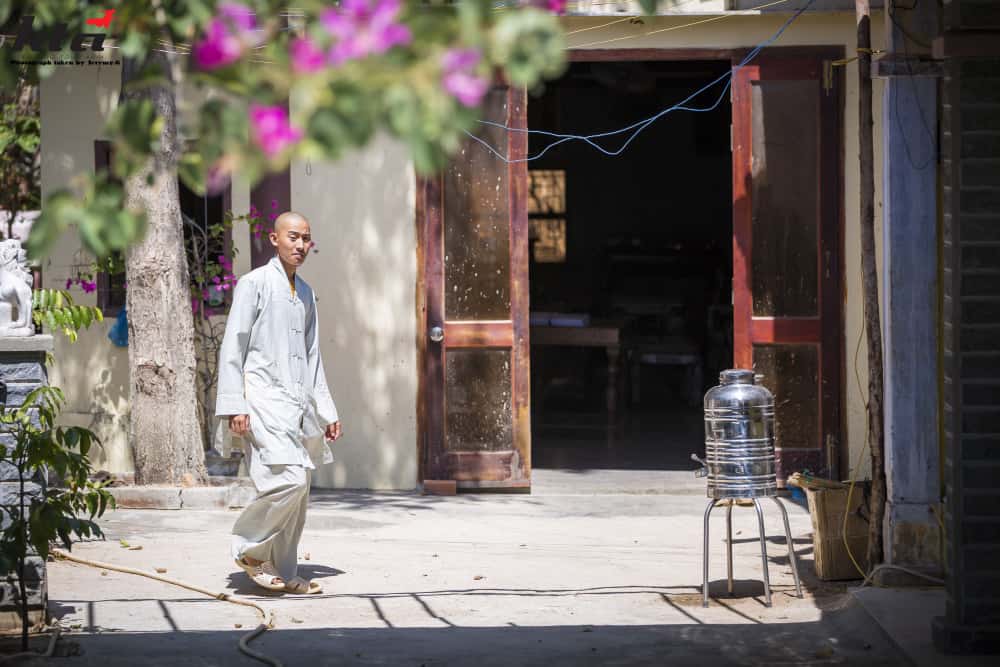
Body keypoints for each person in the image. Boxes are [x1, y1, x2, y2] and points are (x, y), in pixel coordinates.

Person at [215, 211, 342, 594]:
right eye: (293, 237)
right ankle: (250, 550)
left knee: (299, 486)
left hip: (296, 405)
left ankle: (284, 571)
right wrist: (235, 404)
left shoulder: (304, 292)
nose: (300, 245)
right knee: (285, 480)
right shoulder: (253, 284)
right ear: (274, 239)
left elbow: (313, 355)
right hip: (260, 400)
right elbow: (232, 346)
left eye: (306, 238)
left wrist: (326, 411)